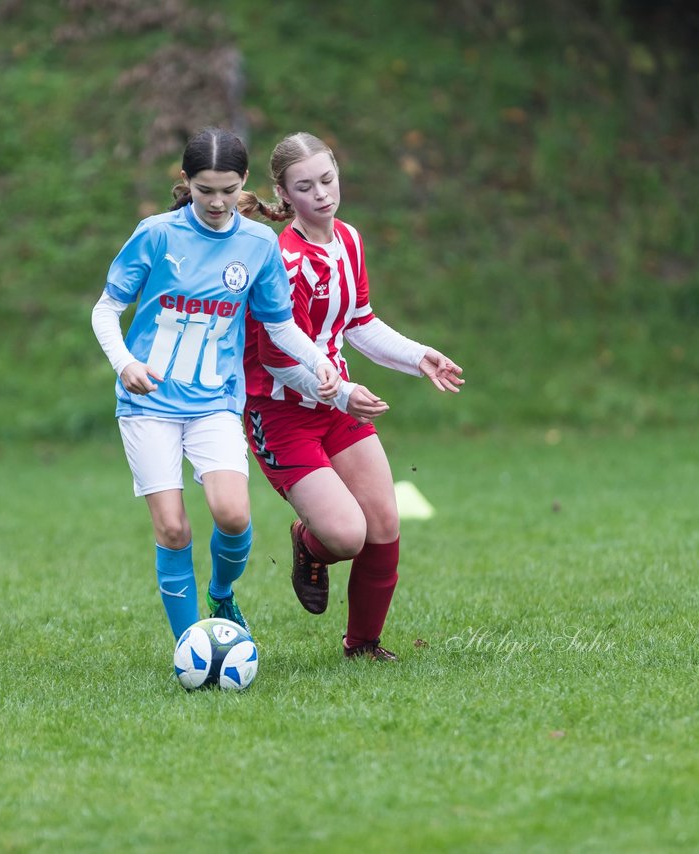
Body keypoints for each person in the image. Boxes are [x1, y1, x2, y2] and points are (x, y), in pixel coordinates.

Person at [91, 127, 341, 642]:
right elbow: (106, 309)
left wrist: (317, 362)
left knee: (231, 514)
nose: (218, 201)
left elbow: (279, 325)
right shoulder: (157, 234)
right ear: (187, 182)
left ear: (243, 181)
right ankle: (191, 646)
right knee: (174, 529)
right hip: (149, 404)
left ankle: (222, 596)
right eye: (205, 190)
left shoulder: (258, 244)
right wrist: (123, 363)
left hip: (215, 404)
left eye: (228, 189)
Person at [238, 131, 464, 661]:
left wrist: (418, 355)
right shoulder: (281, 259)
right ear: (283, 193)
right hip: (281, 414)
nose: (321, 194)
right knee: (346, 536)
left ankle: (362, 646)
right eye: (304, 186)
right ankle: (308, 542)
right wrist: (340, 395)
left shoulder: (349, 240)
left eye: (327, 179)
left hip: (338, 404)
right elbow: (274, 356)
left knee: (383, 523)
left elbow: (358, 322)